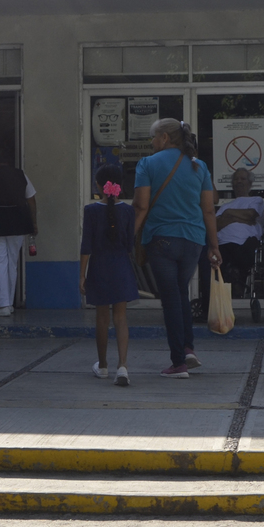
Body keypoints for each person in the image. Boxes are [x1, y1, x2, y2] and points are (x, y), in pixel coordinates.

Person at [133, 118, 221, 379]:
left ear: (164, 138)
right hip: (194, 240)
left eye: (153, 137)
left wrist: (127, 236)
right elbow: (208, 209)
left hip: (162, 240)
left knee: (171, 298)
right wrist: (214, 245)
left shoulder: (147, 164)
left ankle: (178, 363)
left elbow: (141, 206)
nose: (151, 142)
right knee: (180, 292)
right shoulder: (199, 166)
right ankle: (188, 349)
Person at [80, 163, 137, 387]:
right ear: (120, 185)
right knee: (121, 318)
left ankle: (103, 365)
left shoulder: (91, 211)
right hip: (121, 266)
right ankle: (122, 366)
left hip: (99, 267)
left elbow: (86, 247)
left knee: (102, 318)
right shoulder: (128, 211)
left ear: (98, 185)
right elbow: (130, 245)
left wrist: (82, 275)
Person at [197, 168, 264, 315]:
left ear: (250, 184)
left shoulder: (256, 200)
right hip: (222, 245)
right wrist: (236, 217)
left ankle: (235, 281)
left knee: (238, 257)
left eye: (243, 179)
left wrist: (229, 216)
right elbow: (216, 225)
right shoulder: (225, 206)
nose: (239, 182)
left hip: (244, 245)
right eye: (236, 179)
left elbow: (251, 215)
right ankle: (210, 306)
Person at [0, 147, 37, 317]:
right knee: (12, 263)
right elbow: (31, 199)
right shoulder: (21, 175)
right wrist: (33, 222)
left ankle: (4, 305)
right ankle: (9, 303)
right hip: (19, 222)